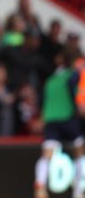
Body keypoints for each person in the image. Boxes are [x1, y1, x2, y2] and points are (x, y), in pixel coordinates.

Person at [34, 50, 85, 198]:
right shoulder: (74, 75)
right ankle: (79, 191)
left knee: (46, 155)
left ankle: (40, 187)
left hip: (51, 120)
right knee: (79, 153)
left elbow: (44, 102)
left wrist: (42, 118)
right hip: (69, 117)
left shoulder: (49, 81)